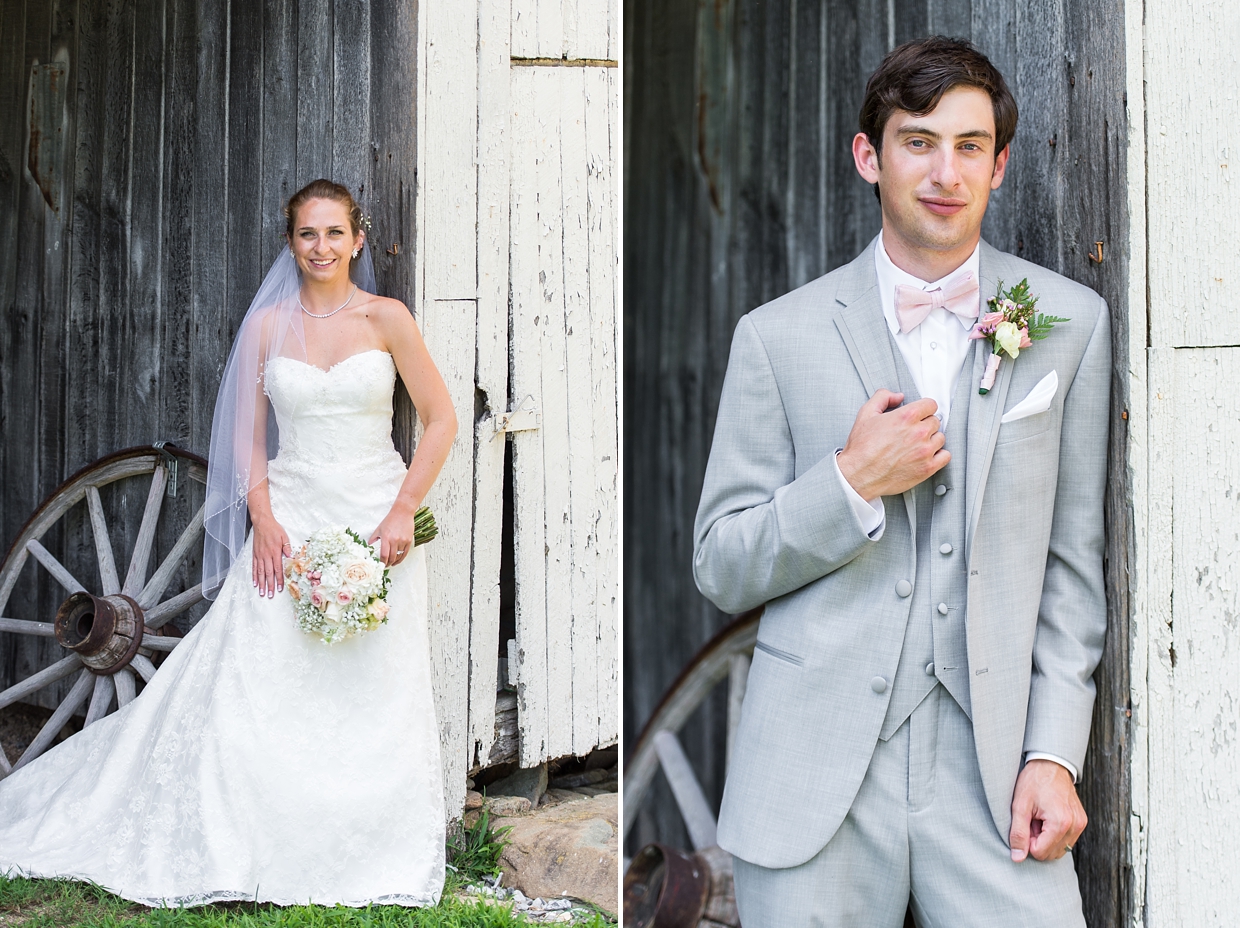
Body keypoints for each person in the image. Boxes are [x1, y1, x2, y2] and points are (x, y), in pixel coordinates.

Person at [693, 37, 1109, 926]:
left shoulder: (1071, 323)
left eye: (969, 146)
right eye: (918, 141)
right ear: (867, 156)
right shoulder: (777, 336)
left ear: (999, 167)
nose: (944, 171)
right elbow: (721, 564)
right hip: (815, 778)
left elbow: (1073, 569)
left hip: (996, 773)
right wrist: (848, 483)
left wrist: (1054, 754)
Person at [0, 179, 458, 908]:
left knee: (367, 681)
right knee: (265, 678)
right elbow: (248, 437)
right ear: (290, 242)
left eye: (335, 233)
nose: (321, 248)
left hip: (374, 522)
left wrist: (403, 511)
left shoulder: (386, 318)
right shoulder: (270, 327)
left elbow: (440, 420)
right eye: (308, 234)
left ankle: (360, 839)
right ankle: (249, 831)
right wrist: (263, 516)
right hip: (292, 516)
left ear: (358, 239)